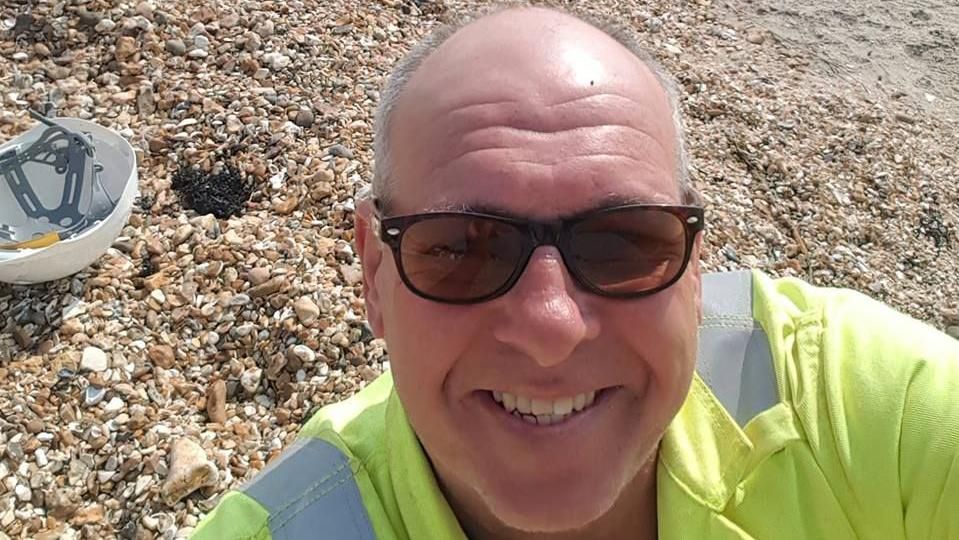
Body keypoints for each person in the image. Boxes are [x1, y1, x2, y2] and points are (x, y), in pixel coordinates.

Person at [192, 5, 959, 539]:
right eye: (463, 248)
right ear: (372, 273)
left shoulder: (867, 416)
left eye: (624, 241)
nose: (552, 327)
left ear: (697, 264)